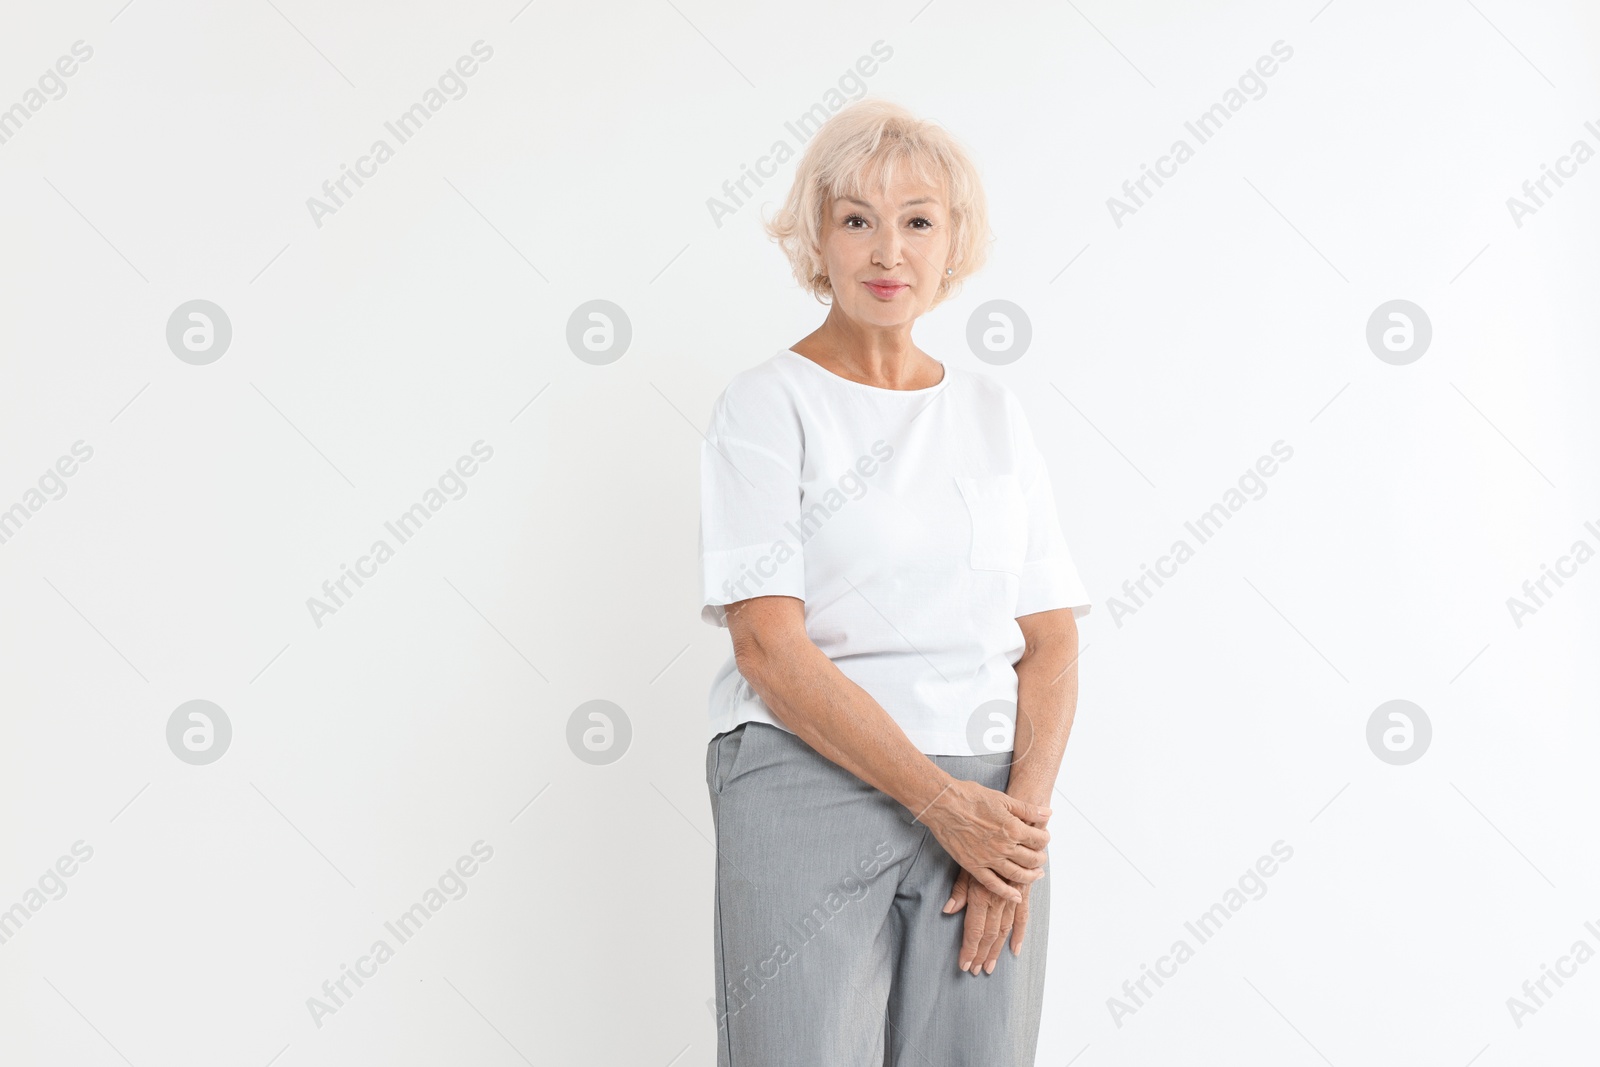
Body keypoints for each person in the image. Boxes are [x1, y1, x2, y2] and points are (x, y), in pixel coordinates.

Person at [697, 98, 1092, 1066]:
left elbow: (1049, 638)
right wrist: (937, 803)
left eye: (918, 219)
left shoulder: (994, 413)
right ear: (816, 238)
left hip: (989, 789)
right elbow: (766, 642)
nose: (888, 250)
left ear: (952, 242)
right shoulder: (765, 403)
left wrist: (1015, 835)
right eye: (856, 219)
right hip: (805, 772)